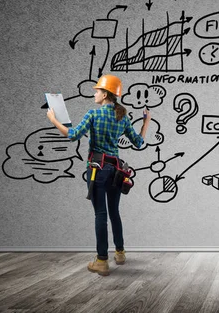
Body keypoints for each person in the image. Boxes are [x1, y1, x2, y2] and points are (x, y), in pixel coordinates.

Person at [47, 74, 150, 276]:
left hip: (97, 169)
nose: (94, 93)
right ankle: (120, 253)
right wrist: (146, 122)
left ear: (105, 94)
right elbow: (139, 142)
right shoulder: (123, 116)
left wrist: (53, 120)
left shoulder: (93, 115)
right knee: (114, 213)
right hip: (116, 171)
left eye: (97, 91)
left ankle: (102, 261)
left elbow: (72, 135)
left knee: (100, 214)